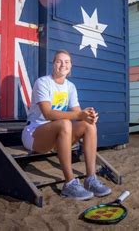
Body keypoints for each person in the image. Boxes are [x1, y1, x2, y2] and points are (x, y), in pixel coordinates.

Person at [22, 50, 112, 200]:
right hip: (35, 133)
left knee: (89, 126)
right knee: (64, 123)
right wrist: (79, 115)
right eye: (59, 61)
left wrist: (89, 116)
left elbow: (78, 113)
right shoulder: (43, 82)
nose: (63, 64)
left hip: (60, 135)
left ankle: (91, 179)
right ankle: (69, 183)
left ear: (71, 66)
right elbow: (48, 114)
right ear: (53, 65)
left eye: (67, 62)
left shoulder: (70, 87)